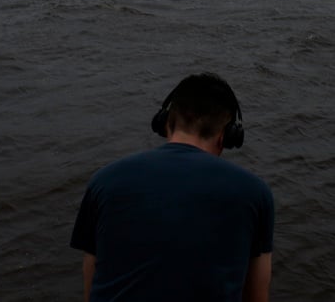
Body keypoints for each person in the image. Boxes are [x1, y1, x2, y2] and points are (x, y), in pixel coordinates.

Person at [70, 73, 274, 301]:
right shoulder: (254, 194)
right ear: (226, 137)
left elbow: (91, 278)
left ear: (165, 122)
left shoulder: (103, 181)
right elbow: (257, 296)